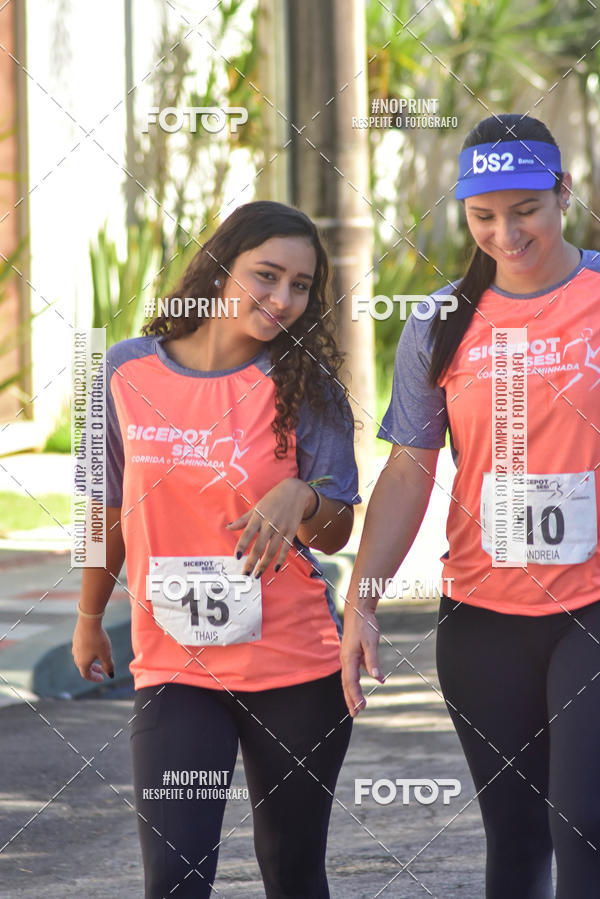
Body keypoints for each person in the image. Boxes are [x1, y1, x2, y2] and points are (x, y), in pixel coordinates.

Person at [341, 114, 600, 898]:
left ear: (563, 194)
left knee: (583, 828)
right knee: (515, 842)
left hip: (593, 603)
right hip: (483, 612)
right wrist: (365, 597)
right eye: (483, 215)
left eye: (525, 210)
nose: (505, 232)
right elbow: (410, 471)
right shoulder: (439, 321)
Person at [72, 200, 360, 898]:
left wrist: (302, 498)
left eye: (300, 285)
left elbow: (339, 526)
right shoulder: (121, 371)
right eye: (266, 275)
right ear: (219, 265)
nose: (282, 298)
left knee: (293, 873)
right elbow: (103, 505)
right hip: (176, 666)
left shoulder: (308, 388)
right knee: (175, 876)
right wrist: (86, 616)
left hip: (294, 668)